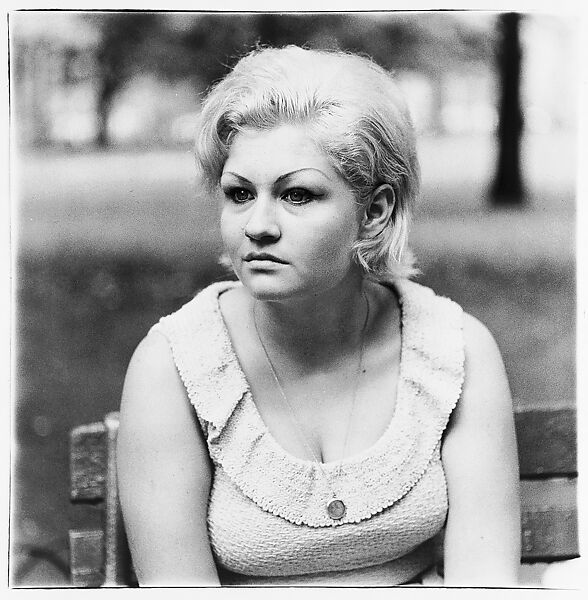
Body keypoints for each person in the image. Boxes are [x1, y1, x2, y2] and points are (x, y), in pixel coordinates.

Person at [116, 45, 521, 587]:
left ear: (374, 212)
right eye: (239, 194)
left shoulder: (455, 352)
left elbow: (485, 581)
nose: (257, 225)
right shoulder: (174, 368)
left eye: (297, 195)